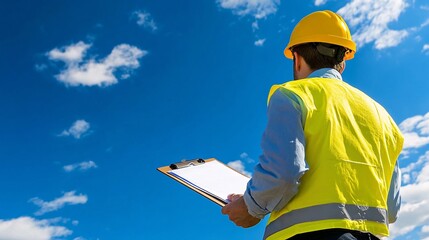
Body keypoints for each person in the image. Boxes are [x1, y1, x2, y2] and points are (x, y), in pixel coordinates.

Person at [221, 10, 404, 240]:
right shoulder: (384, 118)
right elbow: (392, 208)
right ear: (343, 63)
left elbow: (284, 174)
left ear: (297, 58)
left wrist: (250, 206)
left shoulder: (292, 95)